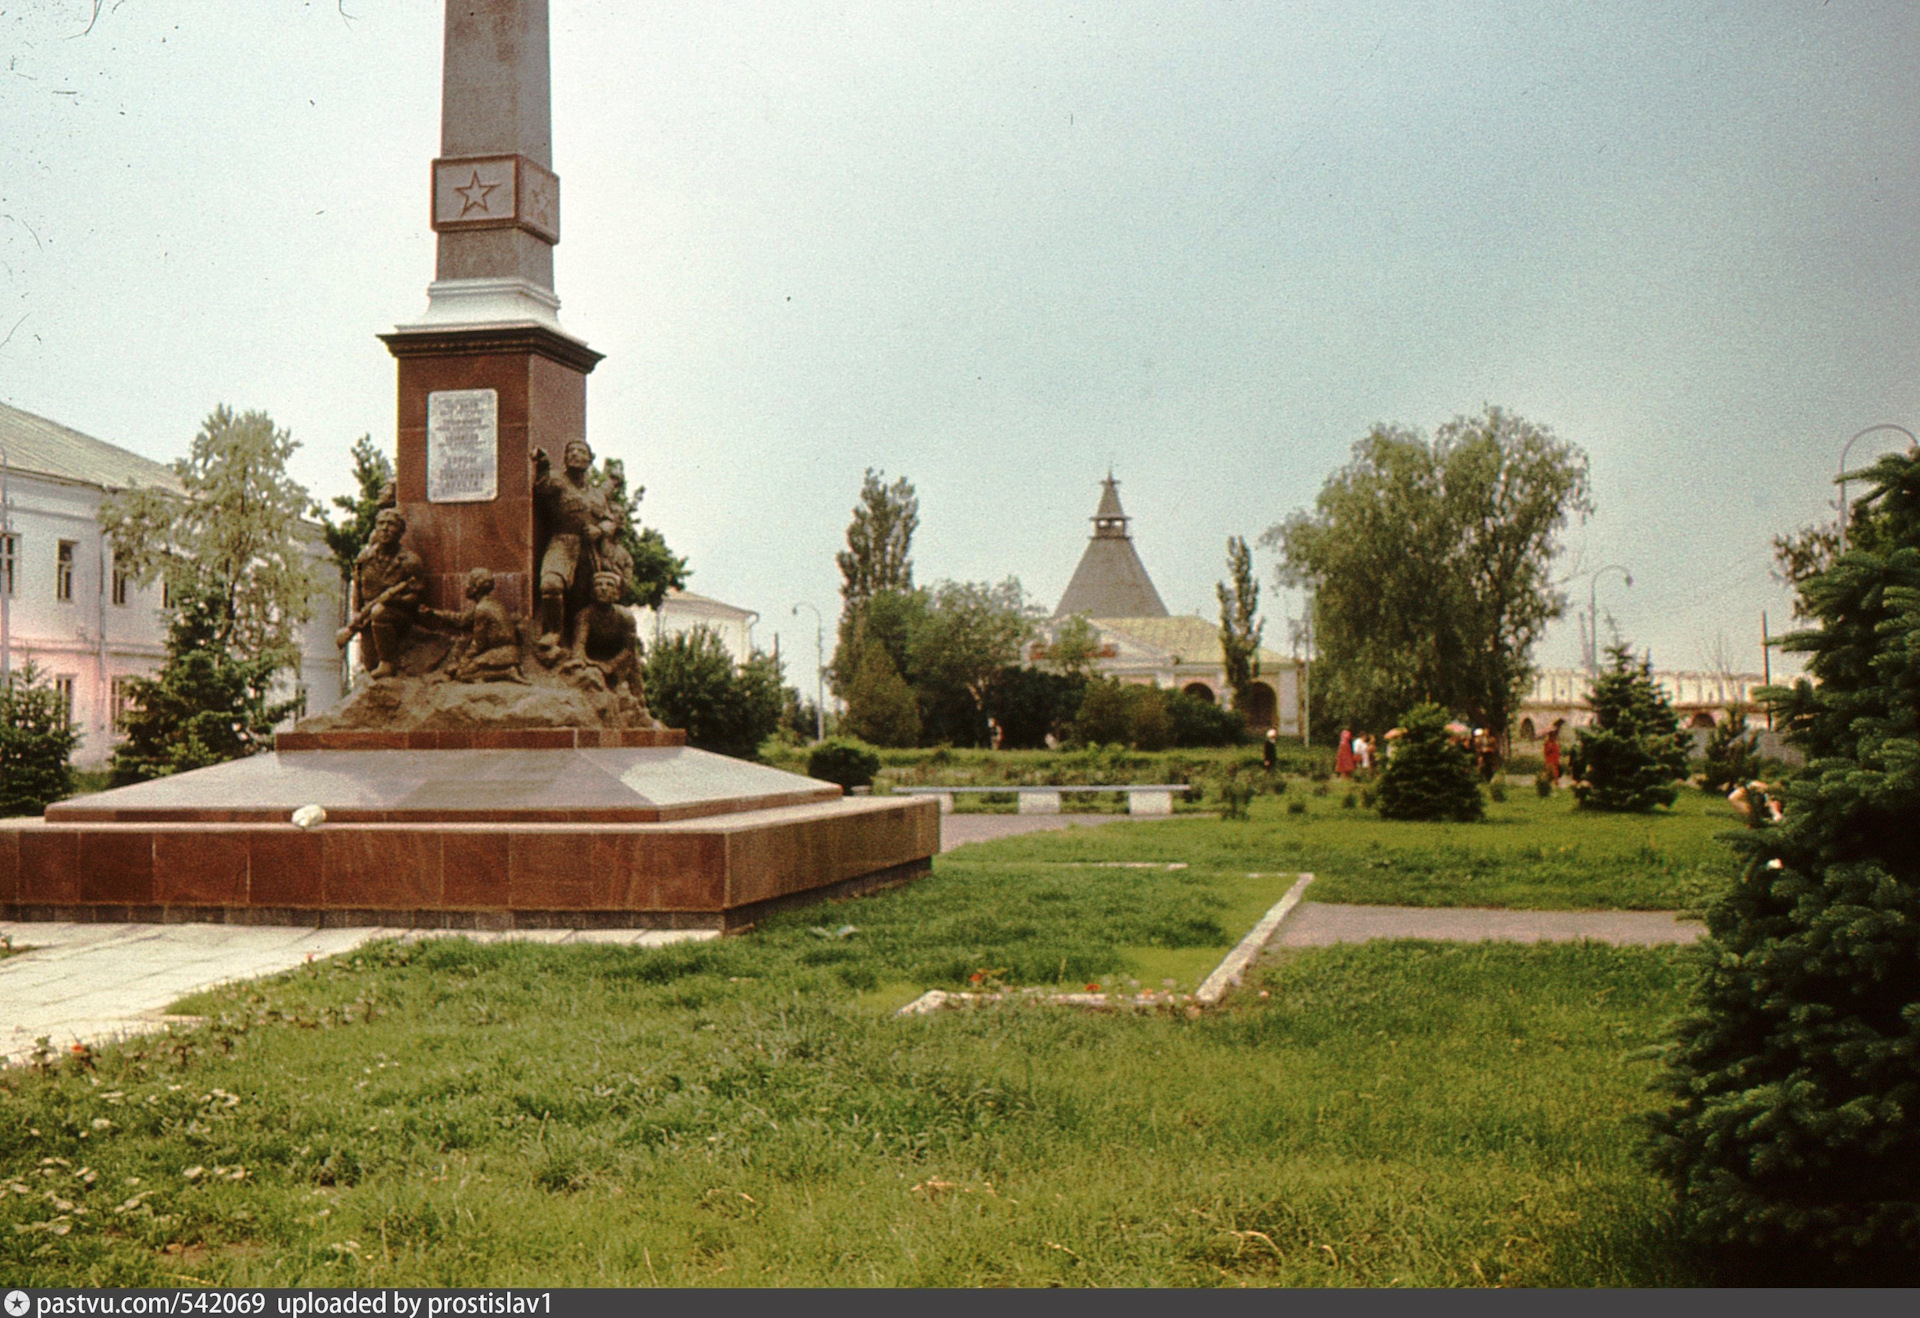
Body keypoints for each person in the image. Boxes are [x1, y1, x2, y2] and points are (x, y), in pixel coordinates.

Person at [532, 438, 622, 648]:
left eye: (580, 451)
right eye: (570, 451)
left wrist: (599, 530)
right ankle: (553, 631)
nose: (574, 454)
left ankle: (577, 646)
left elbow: (610, 520)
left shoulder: (597, 494)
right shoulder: (558, 481)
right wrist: (542, 463)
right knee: (551, 585)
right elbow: (541, 485)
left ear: (590, 459)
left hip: (588, 551)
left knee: (581, 602)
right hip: (563, 542)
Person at [338, 507, 425, 681]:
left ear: (400, 531)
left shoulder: (410, 561)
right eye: (381, 524)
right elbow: (358, 588)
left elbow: (416, 598)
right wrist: (356, 615)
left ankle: (388, 663)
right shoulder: (365, 557)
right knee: (370, 665)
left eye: (391, 525)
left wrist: (395, 600)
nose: (385, 529)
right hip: (368, 617)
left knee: (380, 611)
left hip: (397, 616)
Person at [427, 567, 527, 684]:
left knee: (463, 674)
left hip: (502, 654)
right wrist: (434, 613)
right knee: (463, 669)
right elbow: (462, 620)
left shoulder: (482, 609)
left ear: (476, 588)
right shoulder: (491, 602)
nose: (465, 587)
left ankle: (506, 673)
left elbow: (478, 644)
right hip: (509, 653)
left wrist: (461, 663)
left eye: (468, 583)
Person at [1542, 722, 1563, 787]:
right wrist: (1549, 748)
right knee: (1550, 774)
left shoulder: (1556, 743)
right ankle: (1549, 785)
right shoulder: (1548, 743)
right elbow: (1546, 752)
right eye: (1552, 735)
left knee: (1556, 774)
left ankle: (1556, 784)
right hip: (1550, 761)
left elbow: (1558, 751)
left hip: (1556, 760)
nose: (1554, 736)